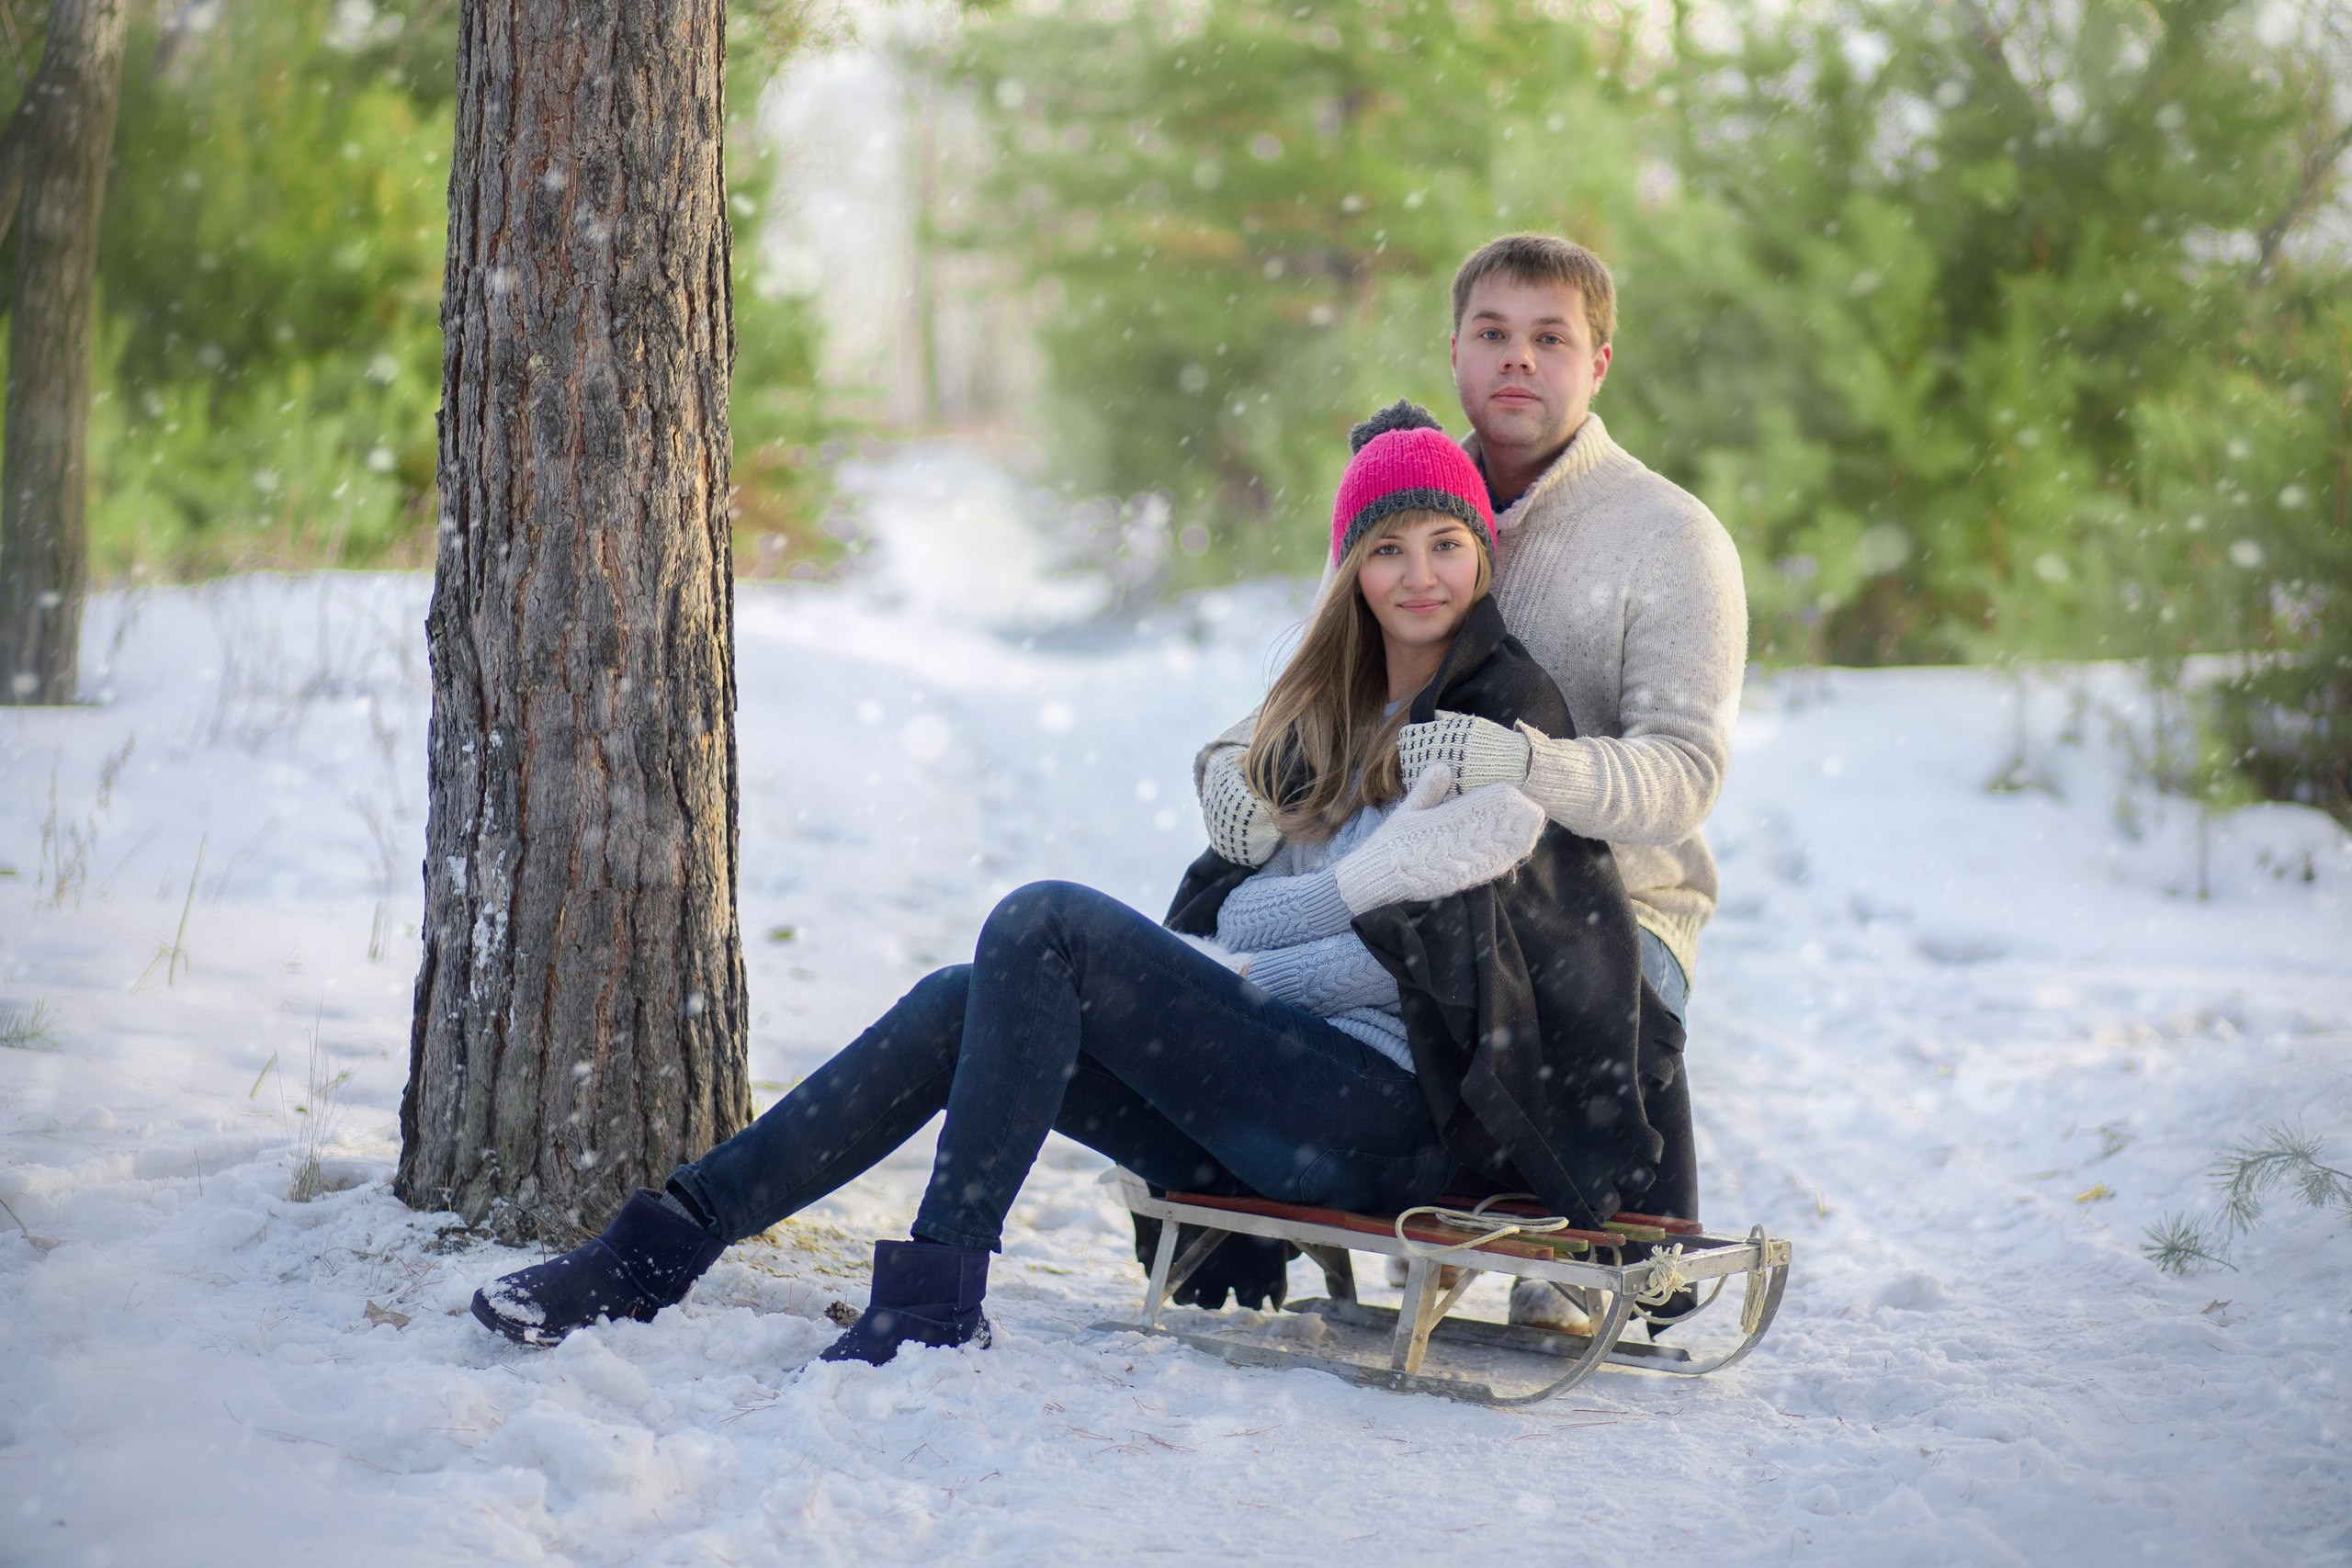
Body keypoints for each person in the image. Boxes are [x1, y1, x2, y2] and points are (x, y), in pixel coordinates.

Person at [469, 408, 1565, 1366]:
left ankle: (940, 1286)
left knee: (1046, 923)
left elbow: (1414, 960)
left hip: (1387, 1119)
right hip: (1268, 1097)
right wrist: (1276, 948)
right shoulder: (1324, 718)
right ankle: (659, 1246)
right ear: (1350, 572)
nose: (1419, 575)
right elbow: (1242, 919)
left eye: (1445, 543)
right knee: (967, 997)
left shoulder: (1495, 725)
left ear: (1481, 557)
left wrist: (1258, 959)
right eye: (1387, 548)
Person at [1192, 234, 1747, 1325]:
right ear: (1454, 351)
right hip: (1414, 891)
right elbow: (1320, 674)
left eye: (1550, 339)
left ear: (1598, 364)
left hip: (1615, 923)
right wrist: (1226, 765)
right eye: (1492, 335)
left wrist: (1532, 766)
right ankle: (1398, 1191)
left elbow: (1684, 772)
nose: (1517, 361)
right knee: (1267, 982)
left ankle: (1545, 1222)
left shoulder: (1671, 537)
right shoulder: (1399, 497)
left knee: (1501, 1015)